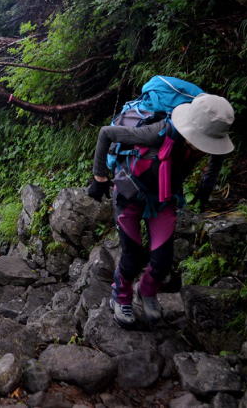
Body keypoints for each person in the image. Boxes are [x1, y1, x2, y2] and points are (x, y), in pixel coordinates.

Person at [87, 94, 235, 328]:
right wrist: (100, 177)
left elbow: (218, 158)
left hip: (164, 198)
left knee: (163, 259)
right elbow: (106, 133)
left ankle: (146, 291)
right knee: (132, 255)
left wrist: (205, 188)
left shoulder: (212, 141)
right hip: (129, 193)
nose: (204, 148)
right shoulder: (156, 132)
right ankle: (120, 297)